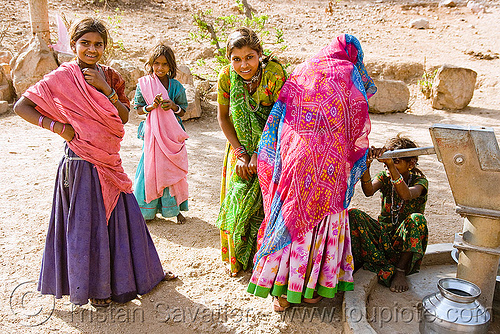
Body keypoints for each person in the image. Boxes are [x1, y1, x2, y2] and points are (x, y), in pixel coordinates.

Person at [13, 18, 171, 308]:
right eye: (85, 43)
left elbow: (123, 116)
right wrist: (57, 127)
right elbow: (21, 106)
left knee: (122, 216)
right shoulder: (63, 77)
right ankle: (96, 291)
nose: (91, 49)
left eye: (98, 44)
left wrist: (105, 89)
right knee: (88, 225)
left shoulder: (110, 76)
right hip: (80, 163)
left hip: (109, 161)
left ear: (104, 48)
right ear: (73, 44)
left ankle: (129, 280)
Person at [247, 34, 377, 311]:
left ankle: (279, 291)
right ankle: (307, 289)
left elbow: (280, 118)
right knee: (321, 223)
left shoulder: (302, 70)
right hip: (330, 163)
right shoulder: (349, 72)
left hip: (295, 154)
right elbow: (359, 118)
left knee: (290, 218)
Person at [216, 27, 287, 276]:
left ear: (260, 54)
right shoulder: (226, 77)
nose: (243, 65)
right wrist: (241, 153)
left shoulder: (275, 74)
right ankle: (238, 258)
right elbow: (223, 118)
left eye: (249, 57)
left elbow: (282, 117)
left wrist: (260, 152)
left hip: (273, 144)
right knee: (239, 196)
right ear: (229, 59)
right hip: (239, 147)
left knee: (268, 203)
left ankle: (265, 258)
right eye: (236, 59)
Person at [348, 134, 428, 293]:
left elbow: (406, 195)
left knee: (416, 220)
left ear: (410, 164)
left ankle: (400, 271)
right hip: (383, 237)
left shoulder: (420, 182)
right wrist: (366, 166)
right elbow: (368, 191)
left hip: (403, 242)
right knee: (354, 214)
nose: (389, 164)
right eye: (389, 160)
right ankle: (361, 262)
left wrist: (391, 167)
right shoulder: (385, 177)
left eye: (396, 161)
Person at [133, 43, 189, 224]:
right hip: (152, 135)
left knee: (171, 169)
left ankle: (175, 209)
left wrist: (173, 106)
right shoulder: (144, 84)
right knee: (149, 169)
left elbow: (184, 110)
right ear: (151, 63)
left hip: (171, 134)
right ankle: (146, 211)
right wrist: (151, 106)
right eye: (156, 63)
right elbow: (138, 109)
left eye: (164, 64)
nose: (160, 68)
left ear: (171, 66)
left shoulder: (176, 87)